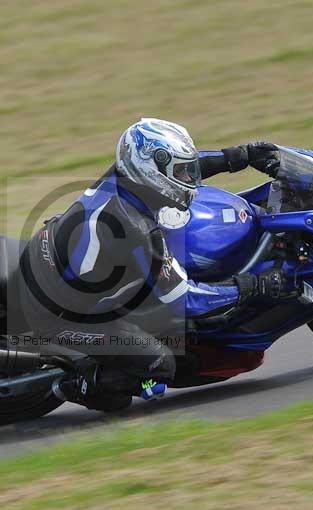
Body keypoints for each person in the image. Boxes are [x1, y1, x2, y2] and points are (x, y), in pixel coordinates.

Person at [17, 118, 285, 410]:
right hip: (59, 315)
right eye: (181, 171)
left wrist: (238, 156)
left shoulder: (125, 177)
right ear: (149, 170)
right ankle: (75, 384)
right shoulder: (136, 229)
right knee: (160, 367)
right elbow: (187, 300)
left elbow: (184, 168)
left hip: (51, 262)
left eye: (185, 169)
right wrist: (249, 286)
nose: (188, 177)